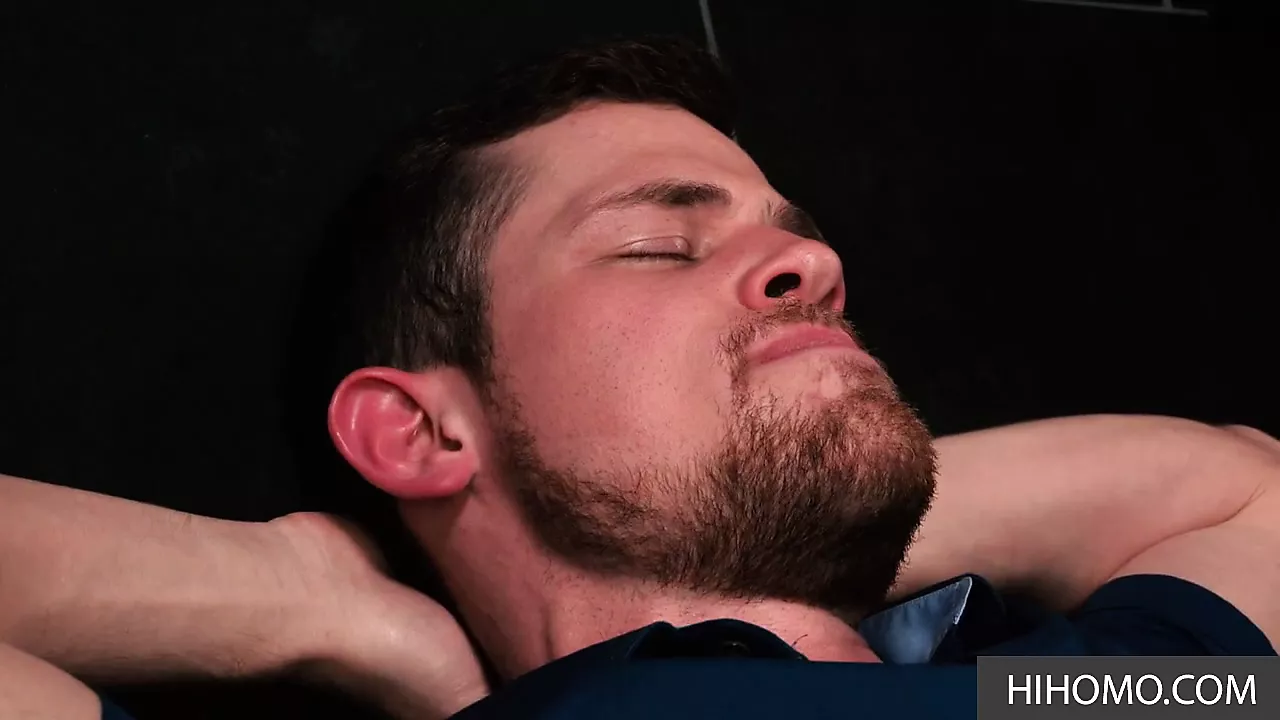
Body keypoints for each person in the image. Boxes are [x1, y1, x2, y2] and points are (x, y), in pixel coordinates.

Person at [1, 36, 1277, 720]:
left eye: (793, 237)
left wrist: (788, 520)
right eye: (658, 244)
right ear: (419, 433)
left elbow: (1245, 490)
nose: (814, 263)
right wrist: (325, 600)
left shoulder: (1056, 698)